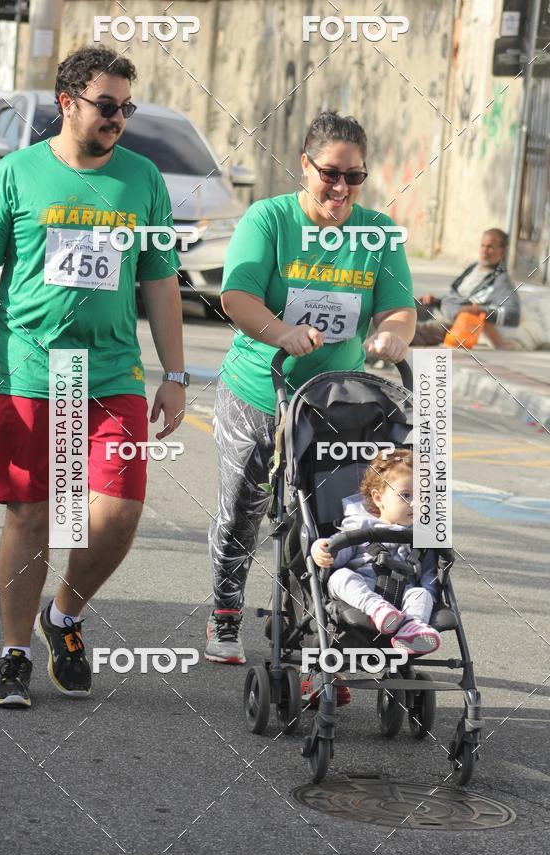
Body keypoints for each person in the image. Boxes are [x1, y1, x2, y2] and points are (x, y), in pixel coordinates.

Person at [0, 45, 188, 707]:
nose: (117, 118)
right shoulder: (17, 175)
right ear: (66, 103)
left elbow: (162, 282)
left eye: (126, 108)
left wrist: (177, 372)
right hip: (29, 371)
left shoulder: (143, 180)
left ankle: (65, 616)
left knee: (117, 514)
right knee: (30, 515)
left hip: (110, 374)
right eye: (105, 105)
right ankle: (14, 653)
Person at [205, 111, 417, 665]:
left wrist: (391, 337)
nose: (341, 188)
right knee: (244, 505)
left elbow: (397, 308)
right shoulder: (268, 220)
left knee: (330, 511)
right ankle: (225, 610)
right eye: (330, 173)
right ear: (304, 165)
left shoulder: (377, 232)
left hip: (333, 403)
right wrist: (282, 332)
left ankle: (321, 621)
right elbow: (238, 296)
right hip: (261, 389)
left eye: (355, 177)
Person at [311, 449, 440, 655]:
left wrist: (432, 596)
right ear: (379, 498)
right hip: (363, 592)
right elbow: (338, 551)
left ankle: (412, 629)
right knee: (341, 577)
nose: (416, 504)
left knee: (423, 593)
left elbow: (429, 575)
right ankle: (378, 609)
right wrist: (323, 549)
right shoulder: (359, 526)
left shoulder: (422, 537)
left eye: (424, 497)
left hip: (403, 596)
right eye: (406, 496)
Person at [412, 228, 520, 348]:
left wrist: (480, 310)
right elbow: (457, 295)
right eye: (482, 246)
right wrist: (436, 300)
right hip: (437, 308)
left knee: (411, 330)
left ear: (502, 252)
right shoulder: (474, 268)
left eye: (490, 247)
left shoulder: (501, 281)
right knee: (401, 305)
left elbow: (513, 314)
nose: (484, 251)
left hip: (454, 323)